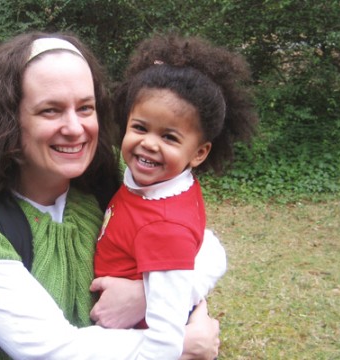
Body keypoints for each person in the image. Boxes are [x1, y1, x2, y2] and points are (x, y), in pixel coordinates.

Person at [0, 31, 221, 359]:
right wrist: (180, 344)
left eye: (85, 108)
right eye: (50, 111)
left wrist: (144, 295)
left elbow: (205, 247)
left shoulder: (108, 188)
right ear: (9, 121)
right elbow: (50, 349)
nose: (74, 127)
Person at [93, 33, 258, 359]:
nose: (149, 143)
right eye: (140, 127)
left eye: (169, 137)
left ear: (198, 153)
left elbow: (165, 340)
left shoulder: (163, 226)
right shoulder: (163, 186)